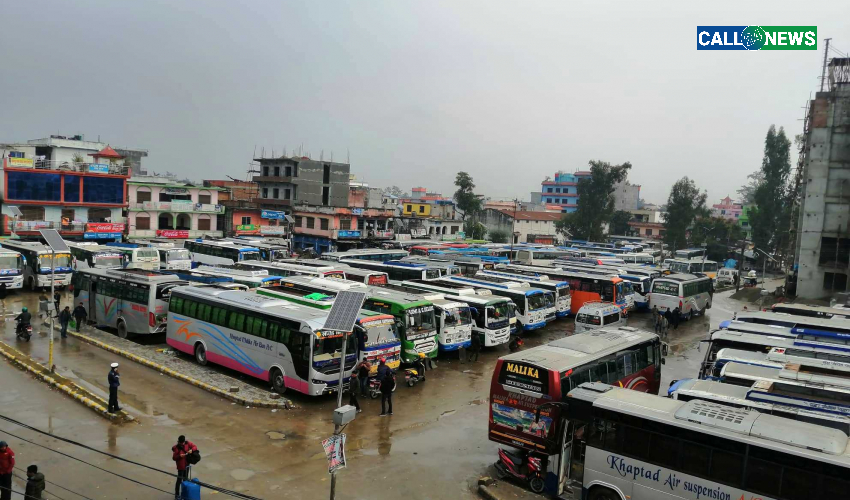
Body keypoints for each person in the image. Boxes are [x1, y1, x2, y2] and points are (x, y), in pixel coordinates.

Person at [172, 435, 198, 500]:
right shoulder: (177, 448)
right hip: (180, 467)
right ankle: (177, 495)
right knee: (179, 481)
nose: (181, 444)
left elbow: (195, 447)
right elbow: (174, 457)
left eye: (182, 442)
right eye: (180, 443)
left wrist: (191, 450)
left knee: (185, 480)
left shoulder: (187, 443)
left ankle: (185, 494)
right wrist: (180, 456)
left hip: (187, 465)